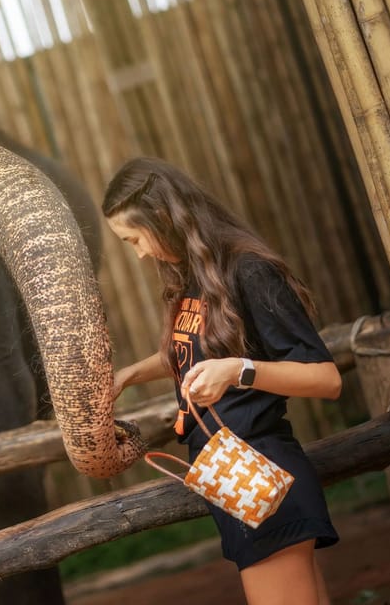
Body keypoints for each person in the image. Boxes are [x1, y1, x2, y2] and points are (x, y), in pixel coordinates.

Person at [104, 156, 342, 605]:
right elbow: (198, 350)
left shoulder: (248, 271)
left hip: (261, 471)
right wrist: (132, 374)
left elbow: (327, 379)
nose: (138, 253)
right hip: (229, 476)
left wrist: (239, 371)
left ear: (163, 217)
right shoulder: (196, 278)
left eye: (135, 238)